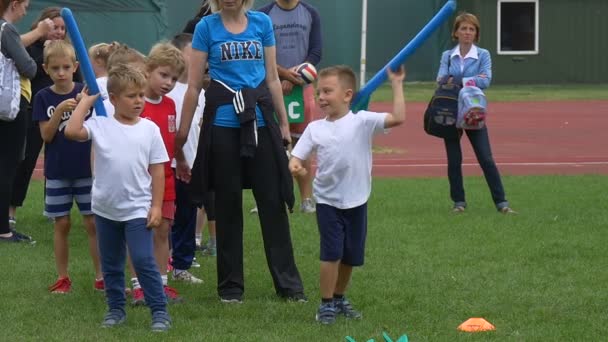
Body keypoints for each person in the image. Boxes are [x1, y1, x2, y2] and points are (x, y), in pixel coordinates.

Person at [175, 0, 306, 303]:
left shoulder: (261, 24)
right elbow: (194, 85)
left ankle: (289, 286)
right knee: (228, 204)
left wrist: (283, 123)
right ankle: (231, 287)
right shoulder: (206, 27)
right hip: (222, 125)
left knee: (272, 203)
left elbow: (272, 78)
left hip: (260, 122)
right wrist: (182, 132)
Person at [289, 65, 406, 324]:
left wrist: (396, 84)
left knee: (351, 255)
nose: (320, 97)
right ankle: (326, 304)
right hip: (328, 202)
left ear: (347, 95)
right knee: (331, 253)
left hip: (357, 200)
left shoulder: (362, 121)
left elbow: (398, 118)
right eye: (318, 92)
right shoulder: (315, 128)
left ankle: (340, 298)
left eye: (327, 91)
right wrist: (295, 165)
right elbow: (297, 156)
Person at [65, 64, 172, 332]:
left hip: (137, 209)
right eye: (131, 96)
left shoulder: (149, 129)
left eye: (140, 95)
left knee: (143, 259)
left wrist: (156, 206)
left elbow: (158, 170)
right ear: (112, 99)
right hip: (105, 210)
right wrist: (86, 102)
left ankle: (159, 310)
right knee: (111, 264)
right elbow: (71, 131)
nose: (138, 101)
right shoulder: (100, 125)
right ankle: (115, 309)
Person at [32, 40, 102, 293]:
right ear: (46, 69)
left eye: (65, 67)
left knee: (93, 223)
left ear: (75, 66)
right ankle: (63, 277)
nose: (61, 73)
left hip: (87, 171)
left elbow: (98, 130)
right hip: (58, 172)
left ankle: (100, 276)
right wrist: (59, 109)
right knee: (61, 224)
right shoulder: (43, 97)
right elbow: (46, 136)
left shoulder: (87, 92)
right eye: (55, 68)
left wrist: (80, 107)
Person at [436, 12, 515, 214]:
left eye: (472, 29)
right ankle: (459, 203)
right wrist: (471, 78)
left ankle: (502, 203)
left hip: (473, 110)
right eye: (463, 28)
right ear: (456, 32)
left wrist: (458, 79)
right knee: (454, 160)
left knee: (485, 158)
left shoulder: (483, 55)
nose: (467, 32)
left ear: (476, 33)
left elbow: (486, 80)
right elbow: (440, 79)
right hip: (451, 111)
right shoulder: (447, 56)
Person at [9, 7, 80, 230]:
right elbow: (30, 70)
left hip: (65, 112)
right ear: (42, 25)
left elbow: (77, 78)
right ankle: (11, 209)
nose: (58, 32)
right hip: (35, 109)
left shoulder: (69, 51)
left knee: (59, 158)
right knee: (26, 160)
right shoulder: (29, 46)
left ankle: (54, 207)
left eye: (62, 28)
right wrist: (45, 52)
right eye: (53, 27)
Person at [130, 42, 186, 305]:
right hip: (138, 181)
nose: (168, 82)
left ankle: (161, 284)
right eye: (163, 75)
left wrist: (182, 161)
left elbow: (172, 142)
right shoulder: (135, 103)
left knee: (164, 231)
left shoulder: (171, 105)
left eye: (174, 78)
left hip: (166, 178)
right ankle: (138, 286)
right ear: (148, 69)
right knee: (140, 231)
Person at [258, 0, 322, 213]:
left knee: (302, 144)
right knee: (271, 145)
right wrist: (282, 74)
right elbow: (259, 51)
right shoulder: (263, 14)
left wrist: (294, 76)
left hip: (301, 90)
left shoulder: (310, 13)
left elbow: (316, 52)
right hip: (269, 88)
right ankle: (272, 199)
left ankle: (306, 200)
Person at [167, 33, 212, 282]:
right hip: (168, 164)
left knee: (186, 214)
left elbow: (200, 126)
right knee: (166, 217)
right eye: (191, 52)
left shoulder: (200, 93)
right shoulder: (168, 89)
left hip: (191, 165)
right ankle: (162, 260)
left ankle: (181, 265)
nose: (198, 58)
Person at [0, 0, 38, 243]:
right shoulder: (7, 29)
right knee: (7, 166)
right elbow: (29, 67)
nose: (26, 11)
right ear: (14, 4)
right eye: (25, 5)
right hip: (9, 108)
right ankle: (3, 229)